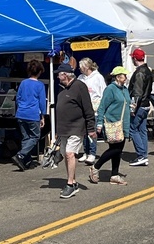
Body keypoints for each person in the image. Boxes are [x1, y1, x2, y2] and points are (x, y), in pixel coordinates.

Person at [54, 61, 95, 198]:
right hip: (64, 129)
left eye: (59, 74)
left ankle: (70, 184)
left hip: (76, 127)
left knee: (70, 153)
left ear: (65, 75)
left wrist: (91, 128)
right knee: (66, 154)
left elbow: (88, 109)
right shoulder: (62, 88)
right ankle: (73, 180)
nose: (57, 77)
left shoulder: (79, 86)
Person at [91, 65, 131, 185]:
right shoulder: (110, 89)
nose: (126, 77)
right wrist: (99, 124)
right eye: (124, 75)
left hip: (123, 123)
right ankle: (95, 167)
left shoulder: (124, 89)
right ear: (118, 77)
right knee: (115, 149)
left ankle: (114, 175)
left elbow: (125, 102)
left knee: (118, 151)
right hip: (113, 123)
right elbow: (102, 106)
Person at [12, 60, 47, 172]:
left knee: (26, 137)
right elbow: (42, 102)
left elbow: (18, 98)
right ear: (39, 71)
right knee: (35, 136)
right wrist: (43, 116)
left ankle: (26, 162)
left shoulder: (23, 83)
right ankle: (21, 155)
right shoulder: (40, 85)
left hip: (21, 113)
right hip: (32, 114)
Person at [127, 47, 154, 167]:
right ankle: (144, 155)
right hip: (146, 104)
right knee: (142, 130)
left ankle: (141, 155)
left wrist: (133, 108)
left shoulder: (139, 73)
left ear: (135, 58)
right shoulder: (147, 70)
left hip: (139, 105)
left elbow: (137, 92)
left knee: (133, 129)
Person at [78, 58, 105, 165]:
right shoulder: (80, 78)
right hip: (82, 109)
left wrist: (101, 108)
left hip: (94, 109)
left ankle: (92, 153)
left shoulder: (98, 77)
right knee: (84, 132)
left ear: (86, 67)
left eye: (81, 67)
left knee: (92, 132)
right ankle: (86, 152)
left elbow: (103, 92)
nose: (79, 69)